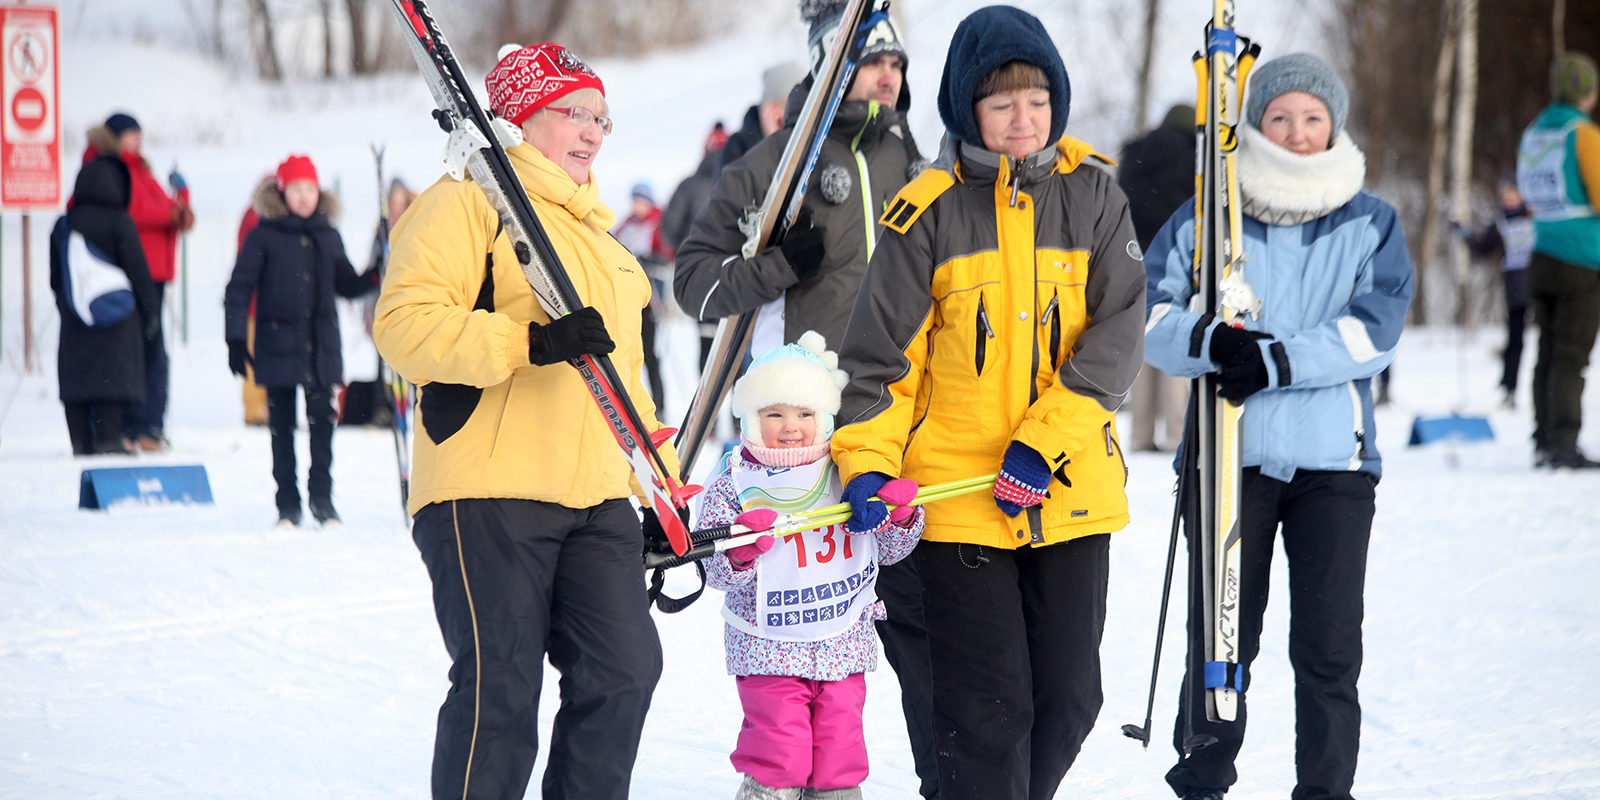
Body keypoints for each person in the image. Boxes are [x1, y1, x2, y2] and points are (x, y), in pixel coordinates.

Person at [829, 7, 1147, 798]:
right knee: (986, 714)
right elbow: (878, 365)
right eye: (1002, 102)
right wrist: (866, 466)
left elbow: (1118, 335)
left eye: (1037, 100)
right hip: (953, 505)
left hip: (1067, 488)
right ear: (967, 108)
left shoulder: (1097, 197)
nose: (1022, 118)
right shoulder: (926, 209)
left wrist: (1044, 443)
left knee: (1069, 702)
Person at [372, 42, 678, 800]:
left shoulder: (607, 249)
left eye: (601, 118)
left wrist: (662, 492)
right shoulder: (466, 200)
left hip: (598, 497)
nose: (593, 132)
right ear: (520, 117)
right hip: (488, 490)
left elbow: (627, 387)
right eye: (573, 112)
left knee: (625, 670)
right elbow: (403, 326)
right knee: (500, 689)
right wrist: (529, 343)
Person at [673, 6, 938, 797]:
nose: (887, 75)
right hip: (802, 434)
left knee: (912, 622)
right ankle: (777, 771)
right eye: (868, 59)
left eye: (895, 63)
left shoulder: (916, 161)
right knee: (793, 613)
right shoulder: (773, 163)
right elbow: (693, 282)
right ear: (829, 64)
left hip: (900, 426)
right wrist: (774, 269)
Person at [1143, 53, 1415, 800]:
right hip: (1233, 459)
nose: (1297, 133)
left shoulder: (1371, 221)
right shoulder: (1209, 213)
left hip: (1335, 466)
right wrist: (1215, 344)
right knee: (1223, 644)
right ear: (1255, 125)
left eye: (1313, 118)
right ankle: (1201, 782)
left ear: (1335, 127)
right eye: (1280, 117)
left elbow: (1376, 329)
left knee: (1329, 652)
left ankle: (1326, 792)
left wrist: (1279, 362)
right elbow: (1150, 315)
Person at [700, 332, 924, 800]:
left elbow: (887, 550)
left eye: (804, 414)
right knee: (779, 746)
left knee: (840, 750)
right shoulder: (734, 480)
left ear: (823, 417)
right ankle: (770, 791)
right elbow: (713, 570)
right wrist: (740, 550)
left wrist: (900, 518)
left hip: (842, 639)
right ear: (750, 417)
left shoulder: (846, 470)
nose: (789, 426)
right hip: (768, 642)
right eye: (774, 413)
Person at [224, 155, 378, 527]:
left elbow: (345, 284)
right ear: (282, 192)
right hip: (277, 344)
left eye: (310, 189)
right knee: (281, 426)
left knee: (322, 423)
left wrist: (374, 275)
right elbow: (239, 288)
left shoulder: (328, 234)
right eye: (296, 189)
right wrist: (234, 338)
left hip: (321, 345)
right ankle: (287, 505)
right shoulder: (264, 234)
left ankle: (322, 499)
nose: (305, 197)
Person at [85, 113, 193, 452]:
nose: (136, 141)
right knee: (141, 349)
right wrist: (172, 214)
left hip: (156, 272)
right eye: (130, 135)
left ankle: (149, 426)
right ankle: (136, 425)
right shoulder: (114, 169)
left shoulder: (141, 169)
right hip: (134, 273)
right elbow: (135, 212)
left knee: (152, 349)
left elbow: (166, 209)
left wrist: (183, 198)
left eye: (138, 134)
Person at [1516, 51, 1600, 469]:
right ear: (1588, 90)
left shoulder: (1533, 132)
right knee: (1571, 355)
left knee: (1547, 350)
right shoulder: (1581, 133)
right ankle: (1564, 444)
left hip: (1542, 253)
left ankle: (1544, 438)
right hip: (1581, 259)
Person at [49, 153, 161, 455]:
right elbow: (139, 272)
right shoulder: (120, 223)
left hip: (75, 323)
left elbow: (56, 279)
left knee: (78, 385)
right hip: (118, 323)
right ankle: (109, 439)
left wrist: (70, 309)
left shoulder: (64, 225)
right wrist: (150, 313)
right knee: (110, 382)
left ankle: (81, 442)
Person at [1120, 103, 1197, 451]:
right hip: (1175, 255)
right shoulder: (1194, 155)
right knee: (1173, 332)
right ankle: (1175, 433)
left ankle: (1140, 432)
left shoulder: (1135, 153)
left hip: (1133, 255)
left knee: (1143, 339)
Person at [1457, 175, 1535, 408]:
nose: (1508, 199)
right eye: (1505, 195)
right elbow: (1482, 250)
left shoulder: (1536, 218)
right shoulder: (1501, 223)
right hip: (1515, 290)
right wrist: (1464, 235)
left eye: (1512, 194)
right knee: (1515, 340)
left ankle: (1548, 394)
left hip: (1540, 285)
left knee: (1546, 341)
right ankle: (1509, 388)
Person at [612, 181, 672, 404]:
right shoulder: (626, 224)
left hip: (650, 299)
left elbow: (668, 255)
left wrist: (651, 260)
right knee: (624, 352)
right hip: (625, 300)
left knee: (648, 355)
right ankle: (628, 402)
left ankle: (659, 404)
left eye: (640, 200)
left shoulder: (658, 223)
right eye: (634, 200)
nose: (637, 205)